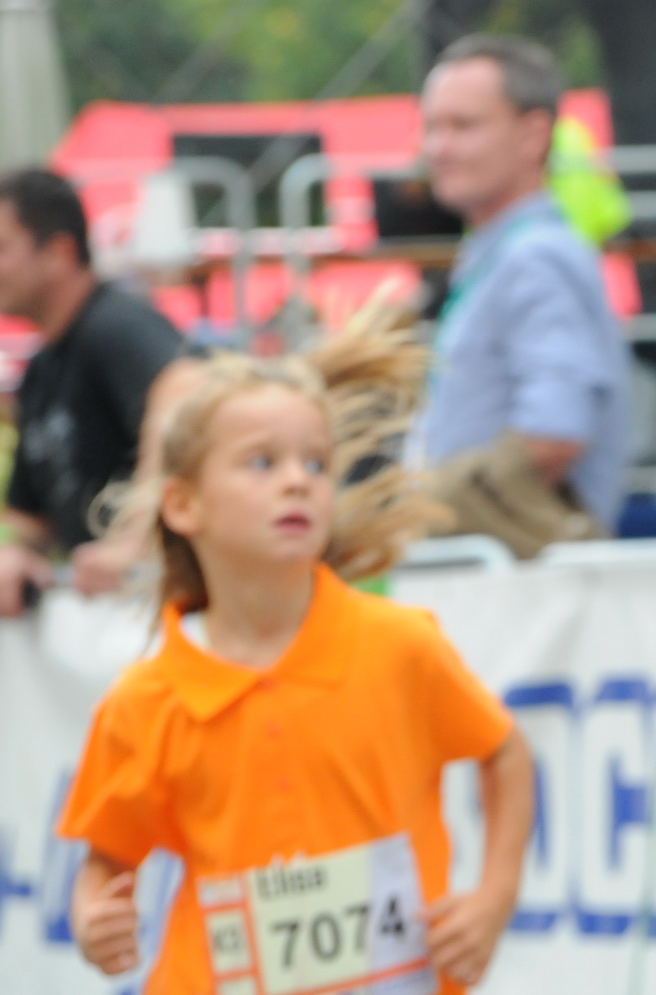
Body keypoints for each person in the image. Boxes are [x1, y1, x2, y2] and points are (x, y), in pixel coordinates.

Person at [60, 312, 534, 994]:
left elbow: (505, 753)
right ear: (183, 505)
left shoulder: (399, 645)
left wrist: (494, 896)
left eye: (316, 463)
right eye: (262, 462)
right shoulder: (146, 700)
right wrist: (91, 917)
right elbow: (108, 856)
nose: (298, 481)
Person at [418, 33, 632, 554]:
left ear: (534, 135)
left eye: (463, 126)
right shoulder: (506, 250)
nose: (439, 148)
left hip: (518, 573)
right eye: (432, 127)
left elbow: (553, 434)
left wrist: (417, 508)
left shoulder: (535, 256)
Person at [0, 168, 181, 614]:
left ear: (59, 253)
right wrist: (15, 552)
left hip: (152, 614)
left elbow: (185, 393)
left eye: (2, 248)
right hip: (107, 617)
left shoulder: (115, 327)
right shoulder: (42, 369)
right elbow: (31, 515)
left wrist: (135, 541)